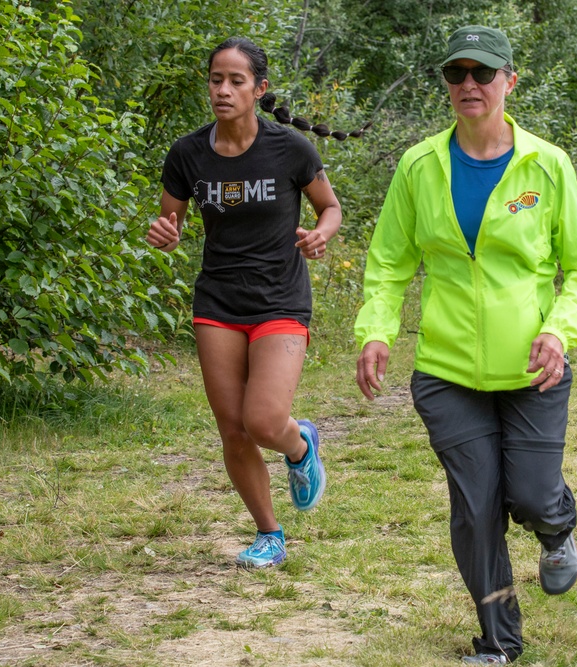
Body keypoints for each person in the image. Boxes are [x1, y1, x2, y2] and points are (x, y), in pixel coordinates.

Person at [354, 25, 577, 665]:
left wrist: (559, 329)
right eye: (457, 73)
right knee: (476, 507)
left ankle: (557, 527)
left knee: (530, 495)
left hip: (532, 369)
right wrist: (377, 331)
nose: (469, 84)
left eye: (483, 73)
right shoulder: (419, 164)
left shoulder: (546, 164)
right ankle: (499, 642)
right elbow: (387, 264)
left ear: (509, 82)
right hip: (446, 372)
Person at [146, 37, 342, 568]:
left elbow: (330, 208)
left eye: (236, 81)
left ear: (259, 88)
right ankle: (269, 534)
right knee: (232, 427)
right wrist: (165, 231)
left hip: (280, 298)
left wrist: (321, 234)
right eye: (216, 79)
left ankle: (299, 446)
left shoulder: (290, 149)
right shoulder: (188, 153)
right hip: (218, 300)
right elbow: (173, 220)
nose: (223, 90)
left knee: (263, 420)